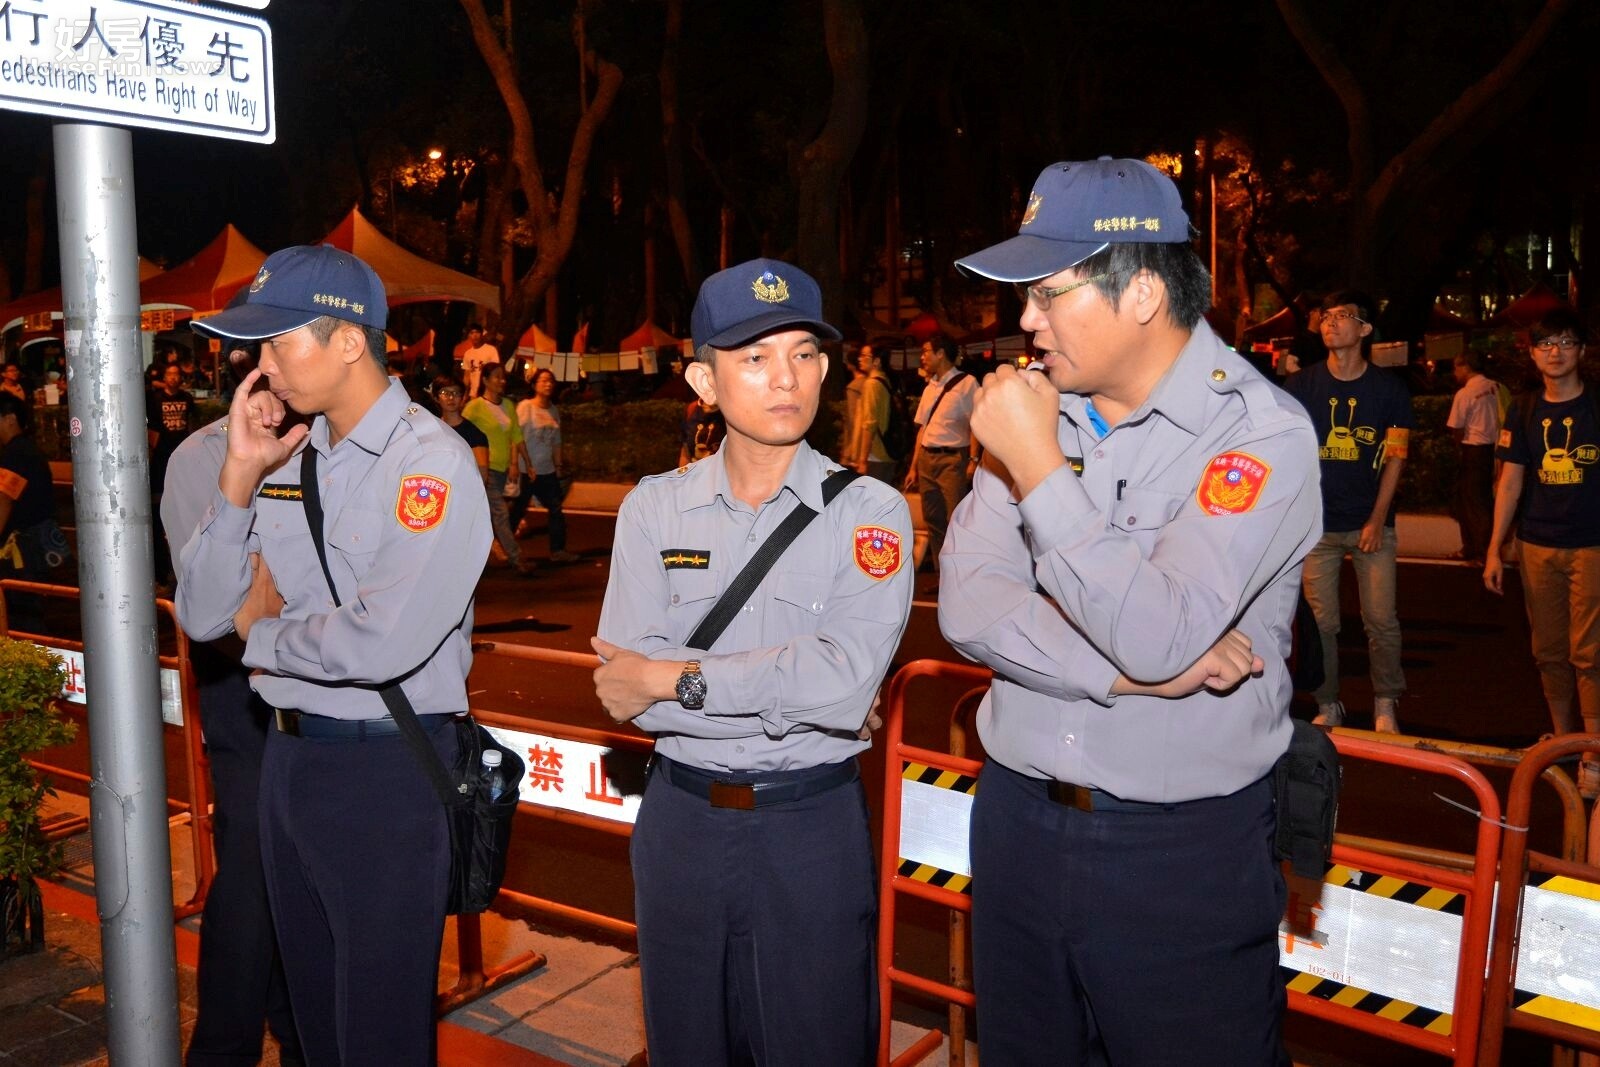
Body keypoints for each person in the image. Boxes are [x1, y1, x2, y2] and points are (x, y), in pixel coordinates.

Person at [944, 156, 1322, 1065]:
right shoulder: (1044, 410)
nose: (1025, 320)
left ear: (1144, 292)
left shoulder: (1257, 433)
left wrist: (1036, 469)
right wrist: (1123, 676)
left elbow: (1161, 630)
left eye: (1047, 292)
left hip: (1176, 853)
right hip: (1017, 824)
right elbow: (966, 601)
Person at [174, 244, 491, 1065]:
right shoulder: (288, 456)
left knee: (378, 1033)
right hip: (289, 762)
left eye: (279, 343)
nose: (261, 363)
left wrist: (265, 635)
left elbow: (381, 637)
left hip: (384, 776)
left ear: (349, 340)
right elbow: (206, 612)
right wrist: (240, 473)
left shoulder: (431, 463)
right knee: (314, 1028)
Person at [592, 257, 913, 1066]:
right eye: (756, 358)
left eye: (804, 354)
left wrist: (674, 674)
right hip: (681, 824)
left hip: (809, 825)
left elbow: (842, 683)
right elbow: (624, 692)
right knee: (686, 1044)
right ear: (703, 379)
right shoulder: (653, 506)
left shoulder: (869, 510)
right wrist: (786, 682)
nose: (787, 378)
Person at [161, 394, 304, 1067]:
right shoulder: (202, 455)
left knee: (304, 879)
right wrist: (273, 633)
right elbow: (212, 612)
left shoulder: (341, 439)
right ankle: (223, 1050)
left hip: (330, 686)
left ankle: (298, 1031)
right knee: (250, 876)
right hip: (244, 694)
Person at [1283, 288, 1412, 734]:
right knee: (1322, 624)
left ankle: (1386, 701)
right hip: (1316, 527)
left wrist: (1377, 519)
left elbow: (1395, 457)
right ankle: (1329, 701)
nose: (1331, 322)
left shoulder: (1390, 391)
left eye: (1343, 316)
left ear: (1365, 329)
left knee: (1381, 622)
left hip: (1370, 524)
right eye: (1326, 315)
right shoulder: (1300, 387)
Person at [1485, 307, 1600, 797]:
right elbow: (1510, 482)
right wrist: (1495, 548)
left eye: (1565, 343)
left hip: (1592, 544)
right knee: (1548, 650)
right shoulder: (1525, 409)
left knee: (1589, 651)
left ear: (1582, 351)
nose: (1555, 352)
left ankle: (1594, 751)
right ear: (1532, 354)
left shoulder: (1597, 408)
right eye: (1545, 344)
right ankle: (1564, 740)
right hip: (1536, 544)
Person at [903, 334, 978, 573]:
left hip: (952, 459)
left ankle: (961, 572)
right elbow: (923, 429)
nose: (922, 357)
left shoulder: (967, 384)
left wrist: (973, 460)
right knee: (933, 520)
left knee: (955, 519)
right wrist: (914, 467)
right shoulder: (929, 388)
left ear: (941, 353)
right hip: (927, 459)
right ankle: (941, 574)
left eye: (926, 351)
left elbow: (975, 424)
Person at [464, 363, 535, 575]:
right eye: (496, 377)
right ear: (485, 380)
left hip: (502, 469)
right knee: (501, 513)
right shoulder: (474, 407)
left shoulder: (508, 406)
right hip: (483, 469)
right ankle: (516, 558)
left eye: (503, 377)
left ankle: (478, 553)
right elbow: (461, 432)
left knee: (484, 514)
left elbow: (517, 437)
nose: (501, 381)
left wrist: (527, 463)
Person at [0, 391, 60, 633]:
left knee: (23, 619)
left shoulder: (17, 454)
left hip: (24, 553)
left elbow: (4, 500)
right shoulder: (26, 450)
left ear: (10, 418)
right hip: (34, 549)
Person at [512, 367, 580, 562]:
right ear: (534, 385)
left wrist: (558, 466)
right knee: (517, 510)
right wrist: (515, 464)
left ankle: (558, 551)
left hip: (546, 470)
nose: (548, 384)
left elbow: (556, 441)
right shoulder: (526, 407)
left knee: (555, 508)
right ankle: (503, 546)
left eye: (550, 380)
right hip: (527, 470)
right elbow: (516, 437)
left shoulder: (553, 410)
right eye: (543, 380)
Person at [1447, 349, 1501, 564]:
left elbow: (1456, 427)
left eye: (1456, 367)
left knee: (1473, 502)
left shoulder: (1465, 394)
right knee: (1480, 500)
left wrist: (1459, 448)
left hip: (1473, 449)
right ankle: (1473, 547)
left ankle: (1480, 550)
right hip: (1492, 449)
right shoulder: (1495, 387)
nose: (1454, 372)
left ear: (1466, 367)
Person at [149, 362, 196, 588]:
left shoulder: (187, 399)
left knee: (184, 515)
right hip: (161, 463)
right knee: (159, 518)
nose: (173, 377)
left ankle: (183, 573)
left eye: (177, 373)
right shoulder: (156, 399)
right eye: (170, 373)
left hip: (182, 461)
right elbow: (152, 432)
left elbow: (192, 427)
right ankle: (162, 572)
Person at [848, 344, 897, 484]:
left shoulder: (872, 384)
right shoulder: (885, 381)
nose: (860, 359)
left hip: (875, 455)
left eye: (865, 356)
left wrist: (862, 460)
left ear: (876, 361)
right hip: (886, 453)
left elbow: (870, 424)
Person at [433, 373, 489, 479]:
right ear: (436, 398)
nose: (451, 397)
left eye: (456, 393)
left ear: (463, 398)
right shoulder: (431, 429)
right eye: (445, 392)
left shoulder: (475, 435)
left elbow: (482, 475)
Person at [677, 395, 725, 467]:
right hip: (694, 472)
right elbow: (685, 447)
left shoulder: (729, 414)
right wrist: (683, 474)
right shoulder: (692, 409)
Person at [459, 323, 500, 396]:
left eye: (477, 332)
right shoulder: (468, 354)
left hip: (488, 394)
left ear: (481, 334)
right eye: (472, 333)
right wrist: (464, 395)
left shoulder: (491, 350)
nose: (475, 335)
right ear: (468, 336)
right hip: (473, 394)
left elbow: (496, 371)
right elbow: (467, 376)